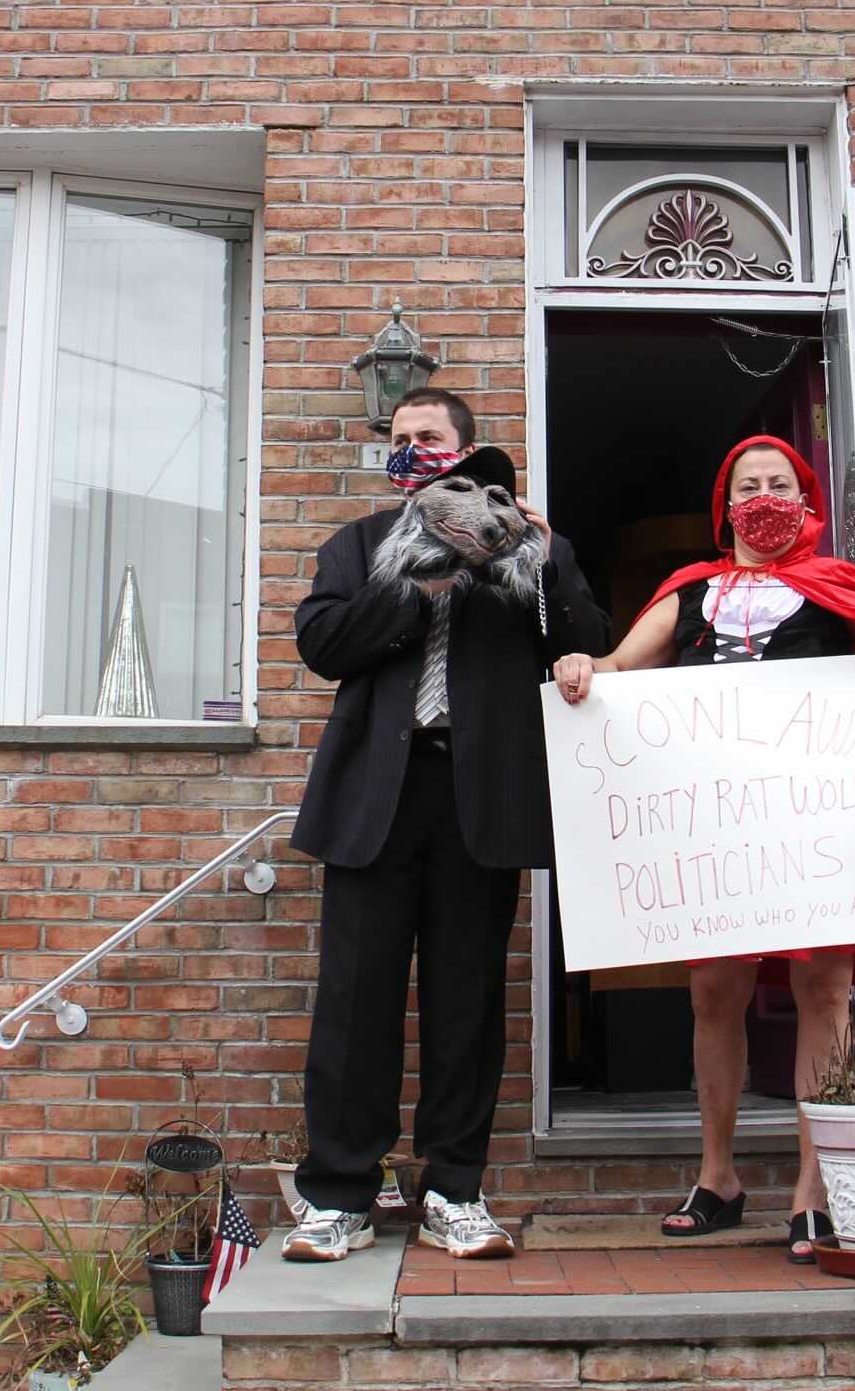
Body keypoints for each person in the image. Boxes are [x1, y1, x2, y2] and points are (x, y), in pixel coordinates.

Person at [551, 434, 855, 1262]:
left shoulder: (835, 587)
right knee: (713, 992)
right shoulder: (688, 591)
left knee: (825, 990)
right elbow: (622, 664)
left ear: (806, 503)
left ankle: (817, 1190)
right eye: (748, 484)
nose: (763, 496)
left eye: (780, 483)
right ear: (725, 504)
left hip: (817, 831)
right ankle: (718, 1177)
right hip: (720, 836)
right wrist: (579, 668)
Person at [284, 386, 608, 1264]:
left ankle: (454, 1193)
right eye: (400, 438)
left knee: (466, 1007)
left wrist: (536, 556)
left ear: (466, 451)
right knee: (355, 1005)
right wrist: (420, 576)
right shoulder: (358, 544)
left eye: (429, 437)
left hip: (481, 799)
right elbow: (324, 646)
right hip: (374, 799)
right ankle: (339, 1196)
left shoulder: (529, 544)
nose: (413, 448)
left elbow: (581, 635)